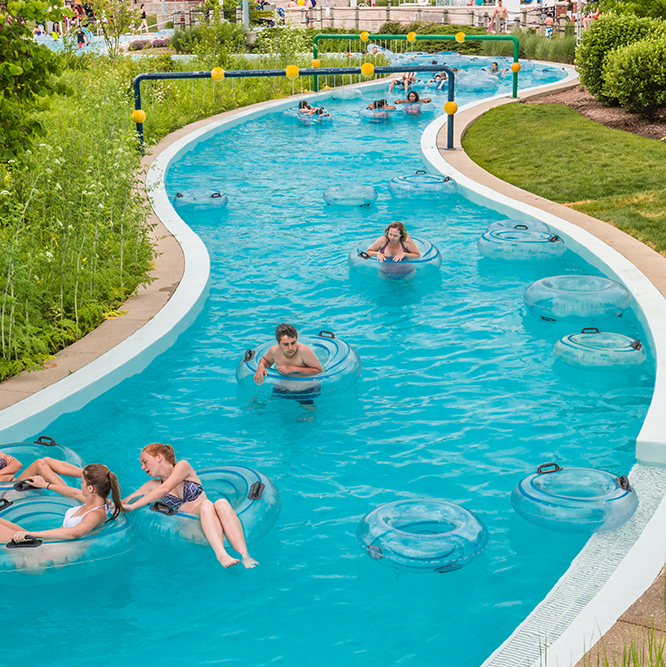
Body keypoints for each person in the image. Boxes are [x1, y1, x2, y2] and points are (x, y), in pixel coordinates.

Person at [122, 443, 258, 569]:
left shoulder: (183, 466)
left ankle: (245, 555)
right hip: (191, 529)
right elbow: (127, 500)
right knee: (206, 504)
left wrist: (133, 507)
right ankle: (221, 554)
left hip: (212, 520)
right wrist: (113, 504)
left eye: (144, 462)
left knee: (220, 502)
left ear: (159, 457)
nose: (142, 467)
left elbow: (165, 489)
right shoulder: (152, 485)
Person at [0, 463, 123, 545]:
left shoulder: (97, 513)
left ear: (91, 489)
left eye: (82, 482)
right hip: (46, 545)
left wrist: (32, 534)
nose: (80, 485)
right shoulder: (92, 502)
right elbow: (74, 493)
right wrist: (45, 485)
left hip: (47, 557)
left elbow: (75, 532)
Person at [254, 323, 322, 386]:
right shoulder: (274, 351)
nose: (290, 348)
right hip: (284, 385)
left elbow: (318, 371)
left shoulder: (303, 351)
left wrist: (293, 369)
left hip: (306, 386)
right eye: (286, 344)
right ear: (278, 343)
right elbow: (266, 360)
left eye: (293, 343)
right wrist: (261, 365)